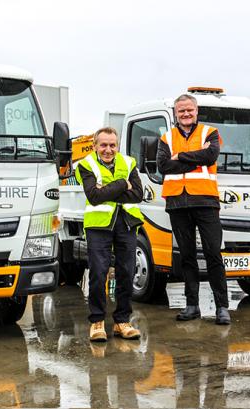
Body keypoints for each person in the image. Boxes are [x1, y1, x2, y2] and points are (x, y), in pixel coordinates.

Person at [156, 94, 230, 325]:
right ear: (176, 113)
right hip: (177, 203)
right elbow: (164, 165)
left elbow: (211, 155)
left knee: (213, 254)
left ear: (196, 111)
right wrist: (195, 159)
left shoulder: (210, 133)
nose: (186, 114)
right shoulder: (166, 137)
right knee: (186, 257)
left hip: (206, 201)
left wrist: (181, 156)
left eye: (189, 110)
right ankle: (192, 305)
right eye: (181, 111)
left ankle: (222, 307)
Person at [76, 127, 144, 342]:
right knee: (98, 272)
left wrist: (108, 190)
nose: (108, 150)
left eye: (112, 145)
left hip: (126, 223)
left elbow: (138, 195)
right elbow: (94, 196)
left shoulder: (129, 163)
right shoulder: (86, 165)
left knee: (126, 271)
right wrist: (123, 184)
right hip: (98, 225)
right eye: (103, 145)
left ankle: (122, 321)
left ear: (117, 145)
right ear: (95, 146)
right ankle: (97, 322)